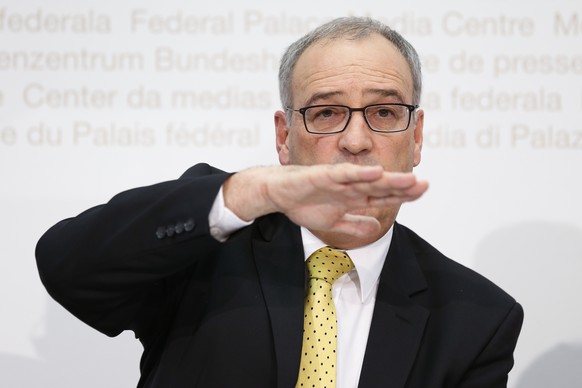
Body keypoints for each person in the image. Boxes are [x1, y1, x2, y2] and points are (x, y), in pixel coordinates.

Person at [35, 16, 523, 388]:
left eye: (384, 111)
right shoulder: (211, 242)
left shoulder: (477, 319)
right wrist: (253, 192)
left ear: (415, 138)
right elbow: (68, 268)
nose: (356, 139)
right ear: (284, 137)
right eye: (327, 112)